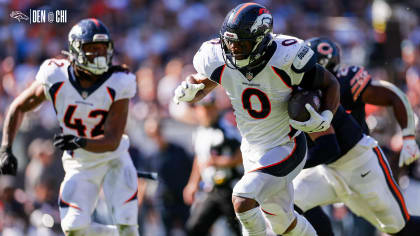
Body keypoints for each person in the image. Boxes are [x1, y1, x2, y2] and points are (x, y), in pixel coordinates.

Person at [173, 3, 340, 235]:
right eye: (229, 42)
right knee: (283, 223)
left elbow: (330, 82)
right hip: (251, 150)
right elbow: (211, 78)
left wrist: (327, 115)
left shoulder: (286, 57)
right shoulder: (220, 57)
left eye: (240, 43)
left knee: (242, 200)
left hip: (286, 146)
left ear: (261, 40)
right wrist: (194, 90)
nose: (233, 49)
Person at [0, 18, 139, 236]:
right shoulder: (56, 75)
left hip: (114, 157)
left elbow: (112, 140)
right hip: (81, 161)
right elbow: (18, 107)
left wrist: (78, 141)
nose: (99, 55)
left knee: (127, 223)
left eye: (103, 49)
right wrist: (6, 148)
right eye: (92, 49)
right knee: (73, 228)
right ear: (75, 49)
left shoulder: (119, 80)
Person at [293, 104, 420, 236]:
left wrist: (408, 137)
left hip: (359, 164)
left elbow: (328, 148)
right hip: (327, 170)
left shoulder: (302, 97)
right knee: (286, 206)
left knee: (401, 228)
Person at [306, 37, 420, 166]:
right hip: (324, 165)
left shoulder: (346, 82)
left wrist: (408, 138)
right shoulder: (300, 91)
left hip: (359, 159)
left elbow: (394, 96)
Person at [183, 93, 242, 236]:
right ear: (197, 110)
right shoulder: (199, 133)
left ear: (216, 108)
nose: (207, 112)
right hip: (212, 191)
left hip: (232, 190)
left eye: (210, 108)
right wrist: (192, 184)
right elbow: (200, 159)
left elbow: (243, 155)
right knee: (194, 228)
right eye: (203, 109)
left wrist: (219, 162)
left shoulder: (227, 130)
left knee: (242, 231)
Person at [143, 116, 193, 236]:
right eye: (152, 134)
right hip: (163, 201)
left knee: (191, 230)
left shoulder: (179, 151)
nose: (156, 137)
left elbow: (192, 171)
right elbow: (147, 181)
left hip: (182, 200)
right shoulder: (151, 156)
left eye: (157, 132)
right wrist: (148, 206)